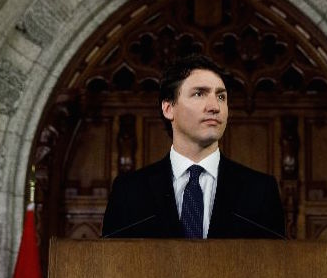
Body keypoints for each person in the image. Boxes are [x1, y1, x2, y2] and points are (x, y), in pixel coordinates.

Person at [101, 54, 286, 239]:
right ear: (168, 108)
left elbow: (275, 266)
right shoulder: (129, 192)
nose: (215, 106)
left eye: (221, 96)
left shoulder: (260, 191)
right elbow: (112, 264)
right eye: (199, 94)